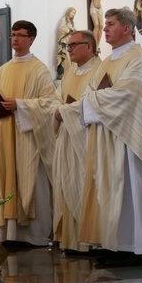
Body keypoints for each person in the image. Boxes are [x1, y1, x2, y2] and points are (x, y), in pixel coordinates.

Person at [76, 8, 142, 265]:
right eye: (105, 24)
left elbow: (130, 93)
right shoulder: (107, 61)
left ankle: (134, 248)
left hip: (128, 139)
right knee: (107, 188)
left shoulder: (138, 59)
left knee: (127, 189)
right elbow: (91, 91)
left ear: (127, 29)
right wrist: (92, 99)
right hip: (106, 135)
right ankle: (114, 244)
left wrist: (92, 100)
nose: (104, 29)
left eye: (110, 24)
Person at [0, 20, 55, 246]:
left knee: (32, 181)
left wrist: (21, 105)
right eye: (13, 34)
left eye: (20, 35)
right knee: (7, 180)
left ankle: (34, 237)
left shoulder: (39, 70)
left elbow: (50, 104)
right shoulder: (2, 70)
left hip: (29, 138)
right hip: (6, 135)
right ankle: (8, 234)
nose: (15, 39)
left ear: (31, 39)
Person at [51, 30, 101, 253]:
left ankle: (89, 241)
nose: (68, 49)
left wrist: (64, 111)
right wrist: (58, 110)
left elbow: (95, 102)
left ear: (88, 47)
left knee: (85, 186)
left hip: (89, 138)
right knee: (66, 184)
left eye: (73, 45)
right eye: (68, 46)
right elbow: (55, 99)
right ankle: (71, 240)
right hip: (66, 137)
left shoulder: (100, 70)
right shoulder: (69, 74)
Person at [60, 0, 126, 45]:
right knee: (97, 25)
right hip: (93, 7)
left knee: (101, 26)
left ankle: (98, 44)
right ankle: (94, 43)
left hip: (100, 7)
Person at [55, 7, 76, 80]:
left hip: (71, 41)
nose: (73, 14)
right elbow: (61, 28)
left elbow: (74, 30)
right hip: (65, 41)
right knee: (65, 56)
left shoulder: (71, 22)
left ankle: (71, 72)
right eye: (72, 12)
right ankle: (64, 73)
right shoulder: (64, 19)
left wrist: (73, 30)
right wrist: (69, 29)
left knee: (71, 56)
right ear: (69, 12)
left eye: (74, 13)